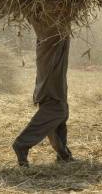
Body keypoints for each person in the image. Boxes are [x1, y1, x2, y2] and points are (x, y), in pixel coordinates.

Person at [12, 19, 73, 167]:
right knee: (56, 110)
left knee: (59, 112)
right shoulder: (51, 25)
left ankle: (63, 154)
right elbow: (60, 13)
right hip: (51, 80)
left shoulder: (47, 24)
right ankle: (22, 144)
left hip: (50, 79)